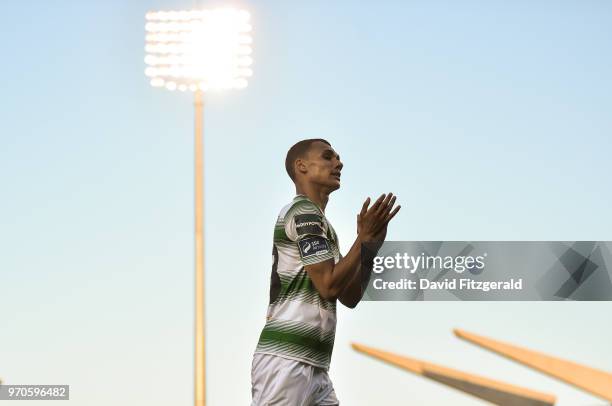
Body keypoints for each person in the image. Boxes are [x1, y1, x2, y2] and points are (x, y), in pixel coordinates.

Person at [251, 139, 400, 405]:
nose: (338, 163)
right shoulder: (303, 212)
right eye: (328, 157)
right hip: (287, 360)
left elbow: (349, 295)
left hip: (315, 364)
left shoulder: (322, 225)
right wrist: (362, 240)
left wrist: (369, 249)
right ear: (302, 166)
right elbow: (329, 286)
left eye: (338, 158)